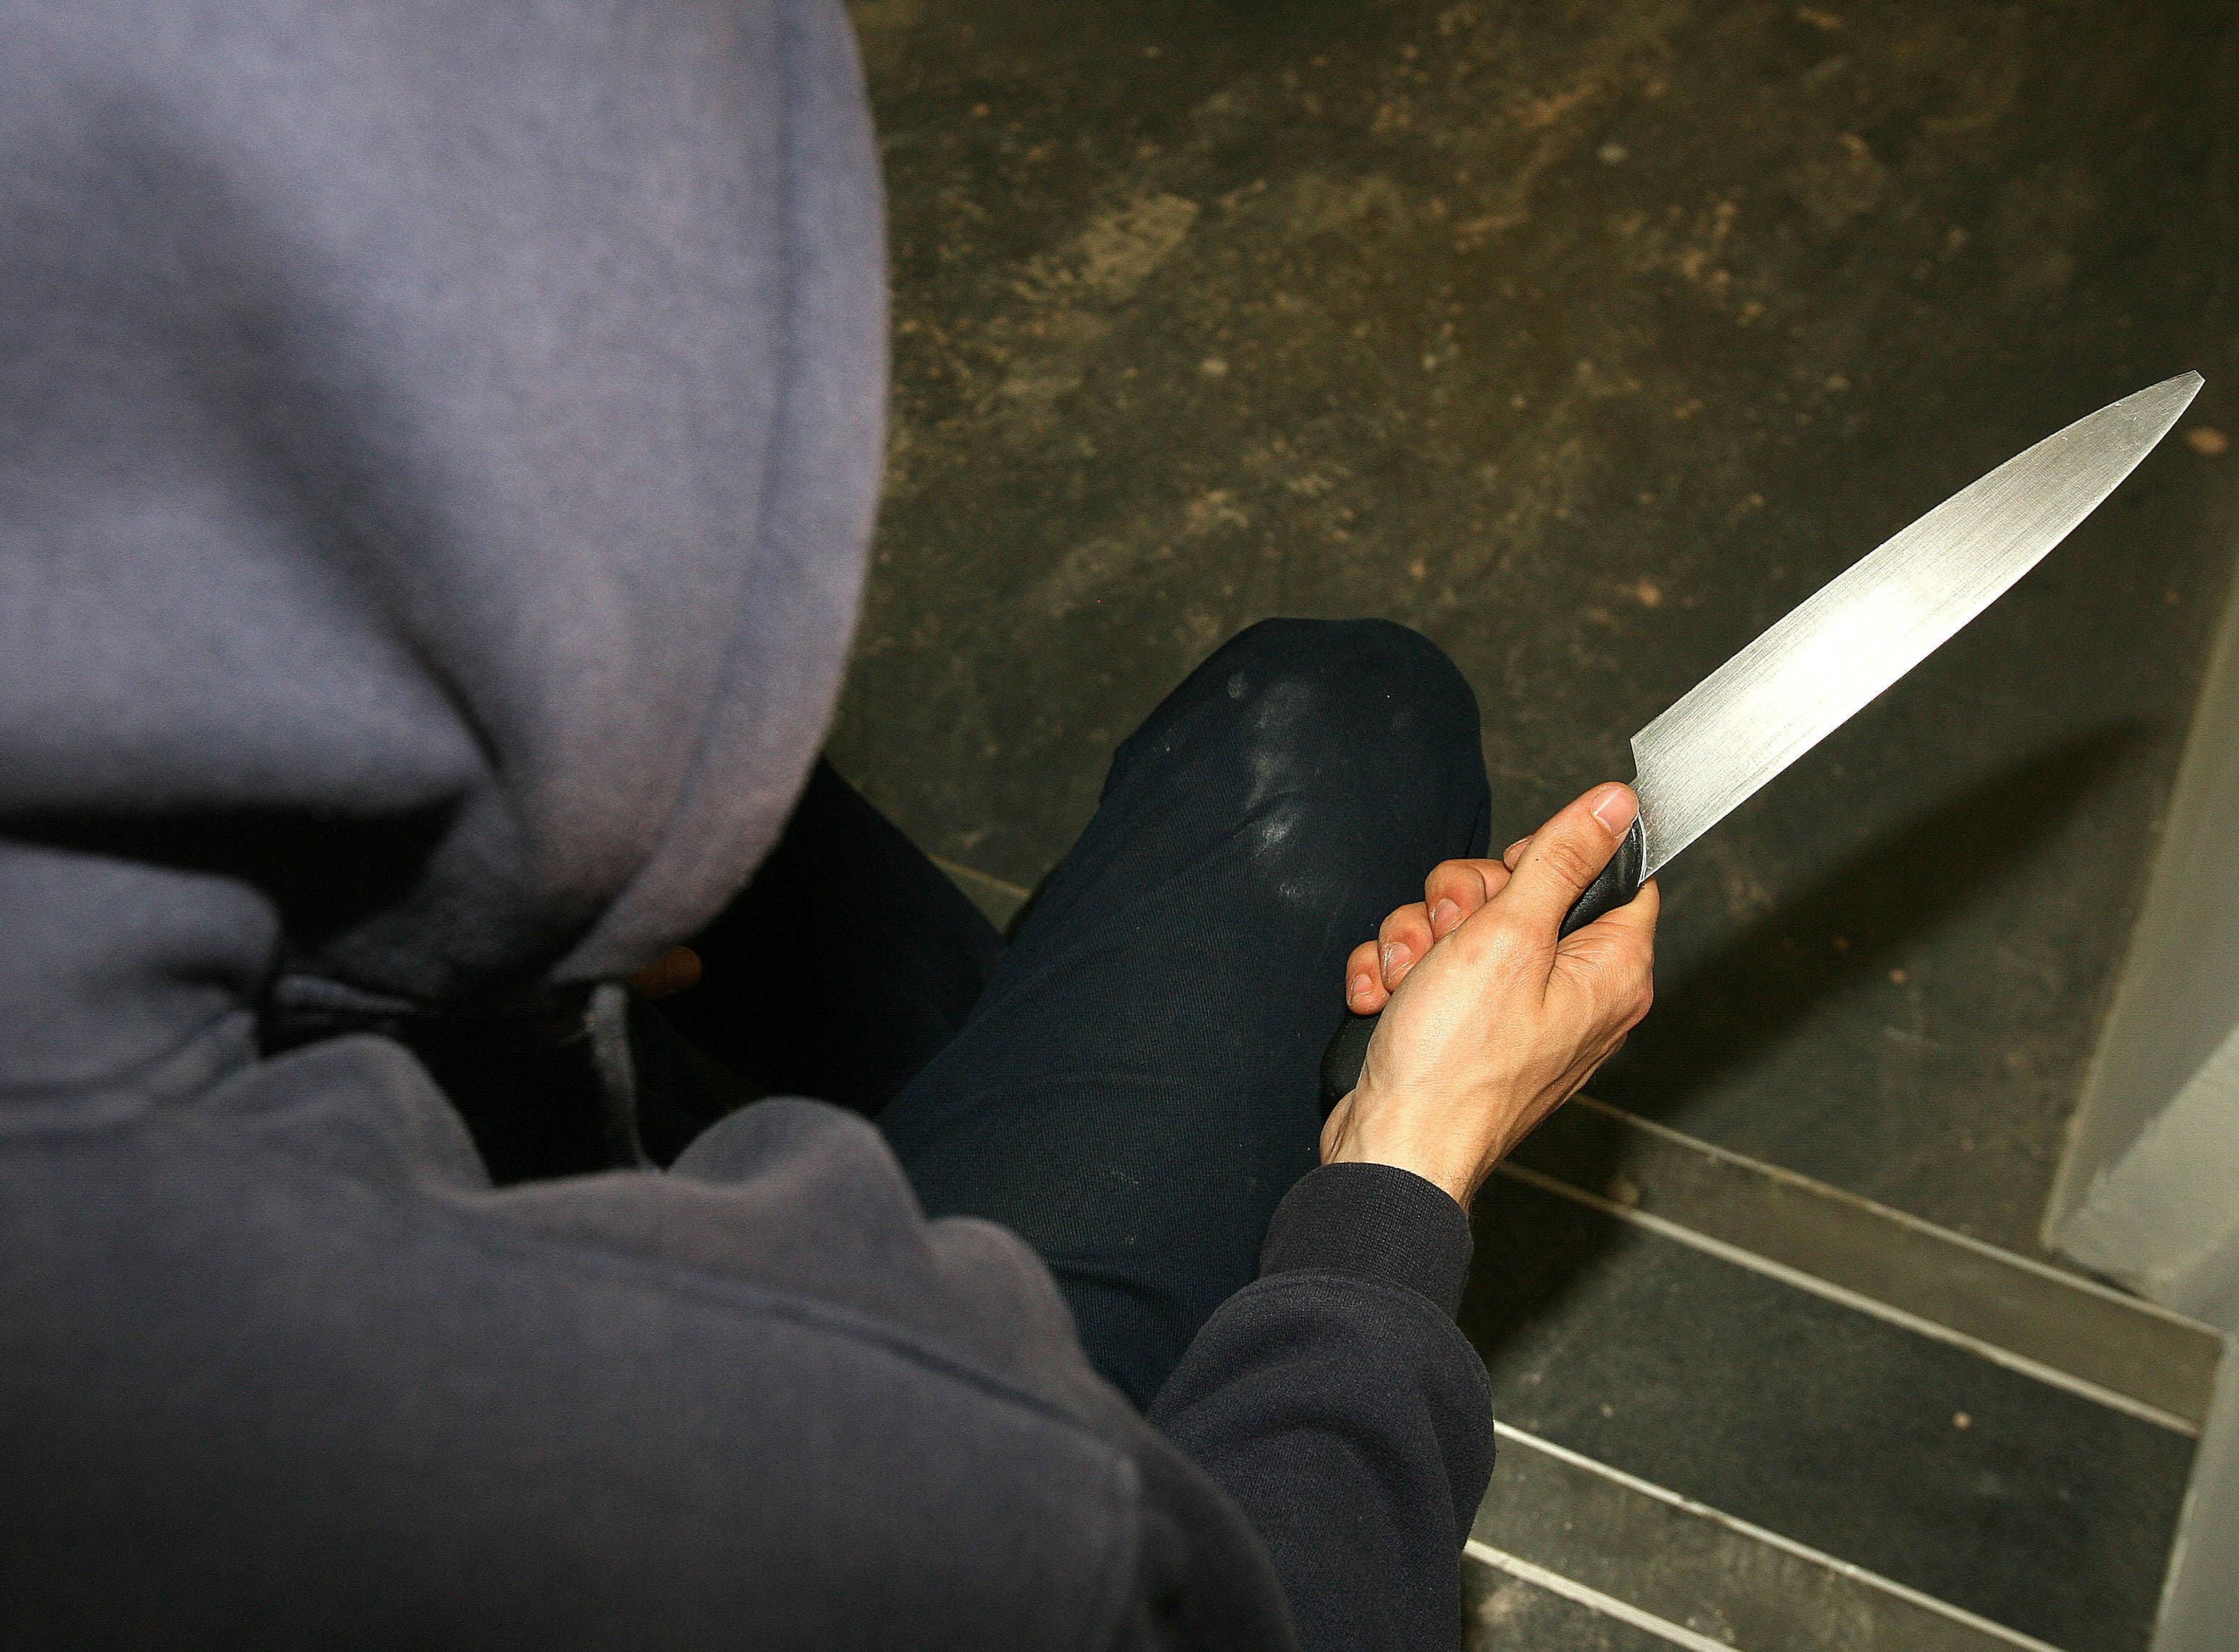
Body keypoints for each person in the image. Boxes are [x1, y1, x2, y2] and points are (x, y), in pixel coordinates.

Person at [0, 2, 1657, 1648]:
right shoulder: (807, 1478)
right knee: (1339, 728)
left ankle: (1007, 1068)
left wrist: (458, 1007)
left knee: (887, 930)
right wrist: (1397, 1180)